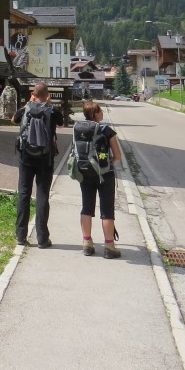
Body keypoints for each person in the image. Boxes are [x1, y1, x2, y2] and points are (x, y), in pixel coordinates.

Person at [12, 82, 62, 248]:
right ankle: (42, 239)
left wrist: (29, 103)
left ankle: (21, 236)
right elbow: (61, 122)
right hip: (45, 159)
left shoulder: (25, 109)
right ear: (47, 95)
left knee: (24, 194)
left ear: (33, 94)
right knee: (42, 195)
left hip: (25, 157)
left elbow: (13, 120)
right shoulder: (52, 110)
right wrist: (48, 104)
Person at [76, 100, 122, 258]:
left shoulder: (79, 129)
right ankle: (109, 247)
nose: (102, 112)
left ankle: (87, 244)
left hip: (85, 172)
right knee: (107, 210)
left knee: (86, 208)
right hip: (105, 174)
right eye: (100, 110)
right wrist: (107, 162)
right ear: (95, 114)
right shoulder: (106, 130)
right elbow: (117, 156)